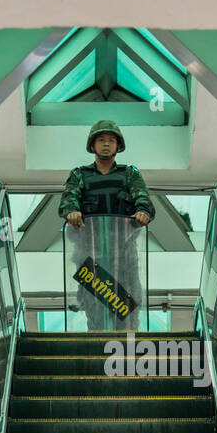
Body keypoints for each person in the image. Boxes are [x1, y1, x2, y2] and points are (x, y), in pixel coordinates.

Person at [59, 121, 155, 331]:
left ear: (117, 146)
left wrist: (143, 212)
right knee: (93, 305)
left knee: (128, 304)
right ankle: (97, 352)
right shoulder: (79, 174)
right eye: (101, 140)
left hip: (123, 251)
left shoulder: (129, 173)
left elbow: (144, 200)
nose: (106, 144)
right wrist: (72, 211)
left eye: (111, 141)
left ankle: (127, 355)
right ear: (92, 145)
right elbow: (68, 200)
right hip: (89, 250)